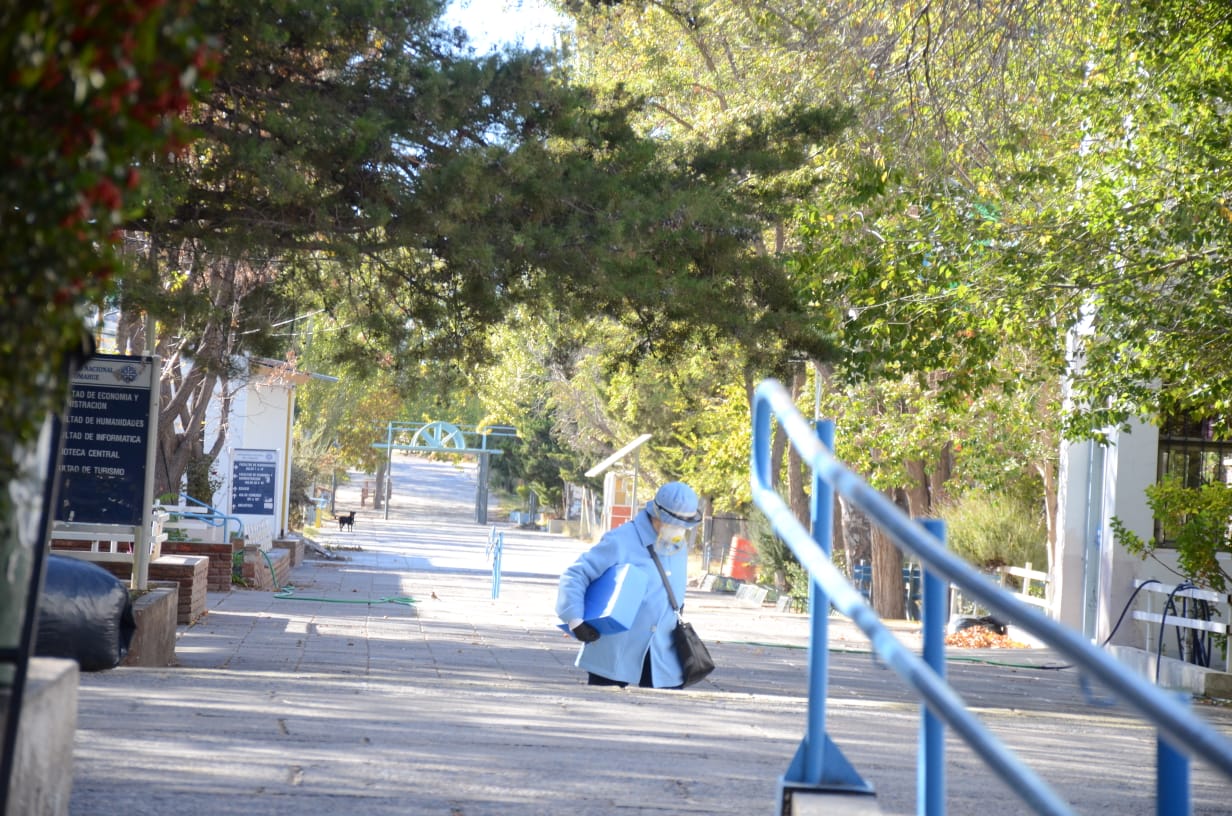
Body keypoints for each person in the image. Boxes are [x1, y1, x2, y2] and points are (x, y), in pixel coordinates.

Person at [556, 481, 703, 688]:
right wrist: (575, 620)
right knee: (607, 716)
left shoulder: (679, 545)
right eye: (675, 524)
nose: (680, 530)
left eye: (685, 525)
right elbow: (576, 574)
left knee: (662, 716)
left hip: (663, 656)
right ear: (657, 515)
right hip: (615, 655)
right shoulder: (620, 540)